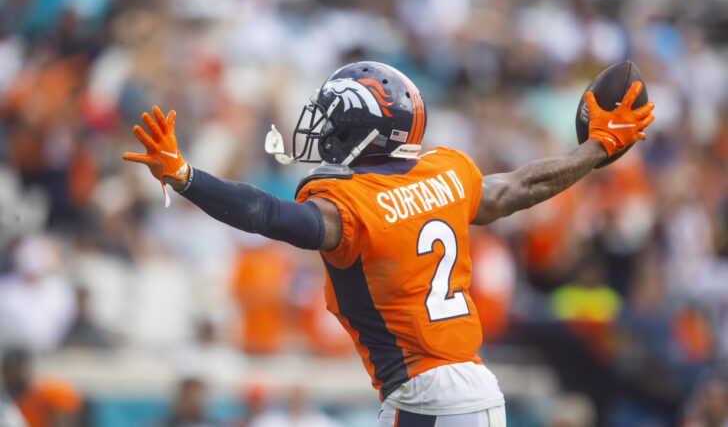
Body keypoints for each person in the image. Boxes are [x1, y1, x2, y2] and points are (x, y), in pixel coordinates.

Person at [123, 61, 655, 426]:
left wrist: (186, 176)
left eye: (335, 120)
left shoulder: (354, 203)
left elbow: (267, 214)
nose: (323, 133)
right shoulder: (446, 171)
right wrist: (597, 149)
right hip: (476, 387)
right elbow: (521, 185)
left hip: (424, 393)